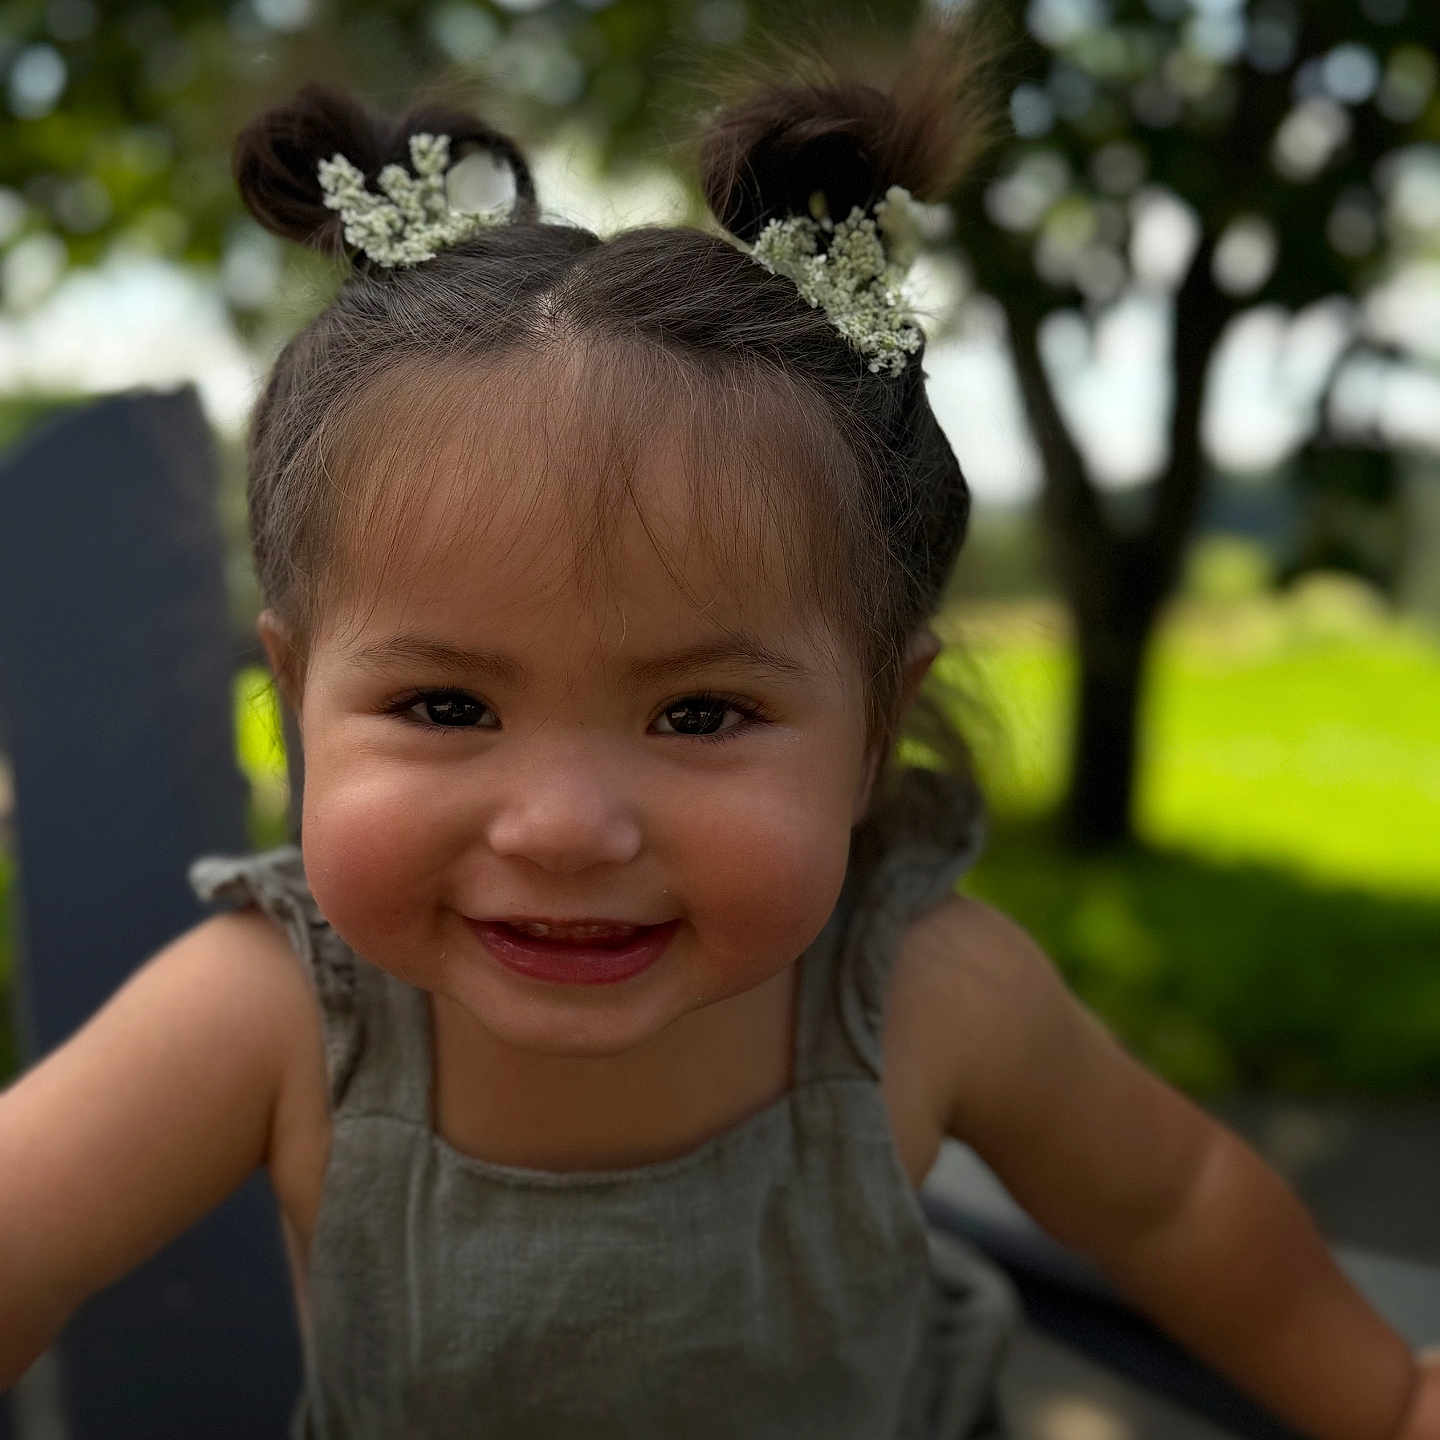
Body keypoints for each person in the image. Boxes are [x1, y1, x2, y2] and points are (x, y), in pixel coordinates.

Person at [1, 16, 1437, 1439]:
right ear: (301, 704)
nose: (565, 827)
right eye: (447, 705)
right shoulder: (280, 1019)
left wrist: (1384, 1400)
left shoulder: (922, 993)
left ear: (876, 732)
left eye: (700, 713)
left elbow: (1171, 1202)